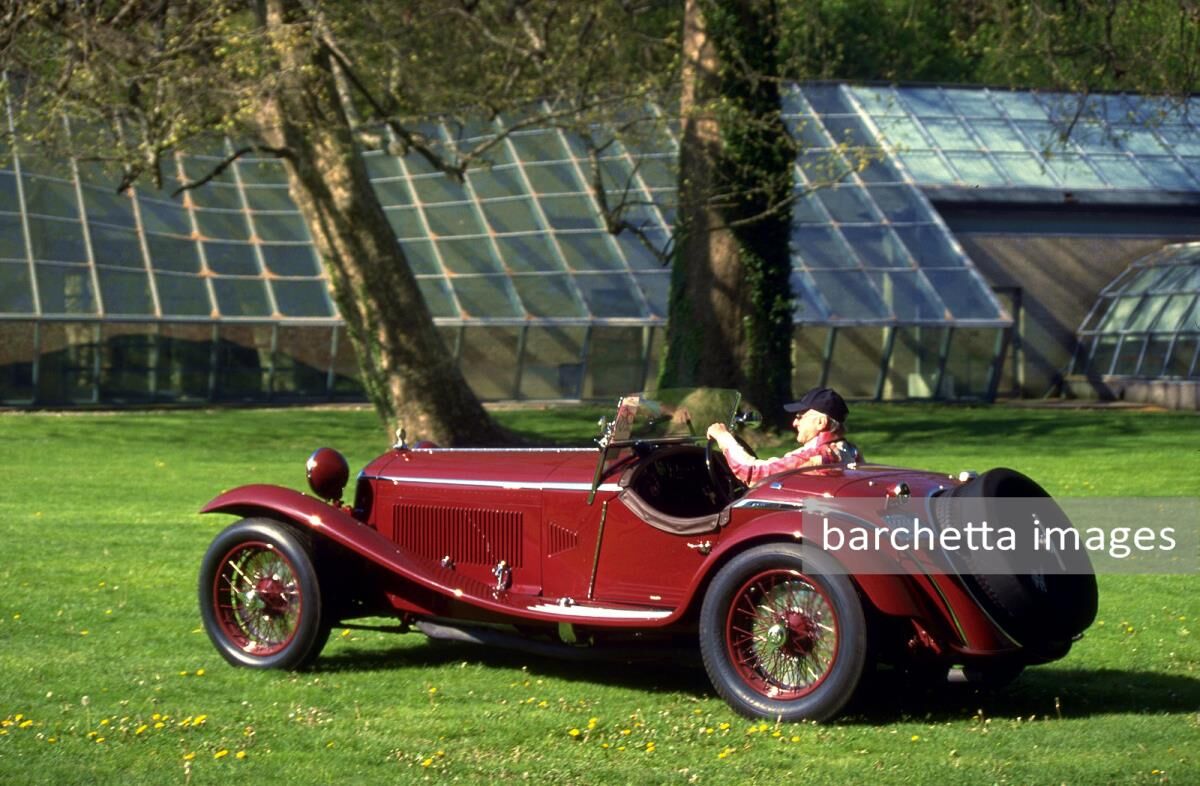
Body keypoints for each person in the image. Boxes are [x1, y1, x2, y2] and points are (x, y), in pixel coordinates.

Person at [706, 387, 861, 485]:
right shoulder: (851, 451)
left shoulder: (814, 455)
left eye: (800, 417)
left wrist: (723, 437)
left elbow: (753, 473)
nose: (794, 423)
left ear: (820, 423)